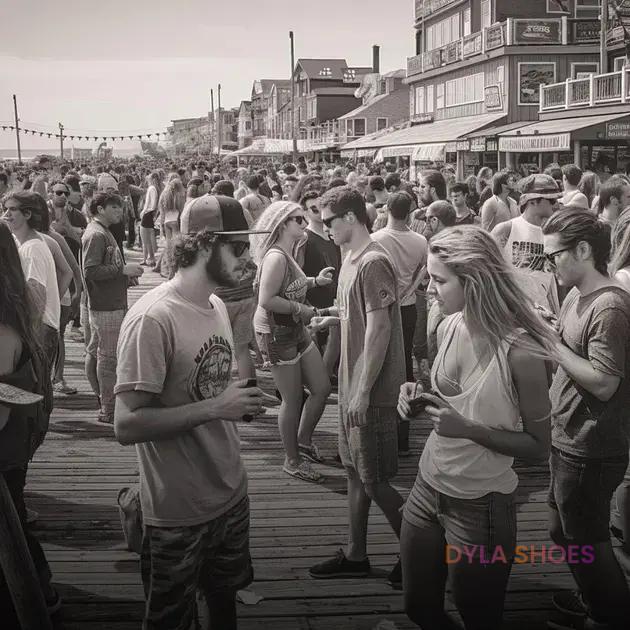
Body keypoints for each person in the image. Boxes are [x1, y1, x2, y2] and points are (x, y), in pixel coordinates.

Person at [114, 202, 267, 630]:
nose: (248, 259)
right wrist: (218, 407)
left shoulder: (215, 304)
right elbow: (126, 424)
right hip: (176, 511)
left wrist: (230, 399)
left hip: (230, 492)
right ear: (205, 245)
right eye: (238, 248)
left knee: (224, 600)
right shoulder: (152, 318)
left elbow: (205, 386)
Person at [397, 225, 555, 630]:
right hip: (426, 488)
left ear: (475, 280)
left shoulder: (520, 351)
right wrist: (416, 397)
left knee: (479, 617)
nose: (428, 289)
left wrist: (468, 429)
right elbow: (449, 401)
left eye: (438, 280)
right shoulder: (448, 325)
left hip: (481, 505)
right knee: (418, 608)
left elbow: (539, 447)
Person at [309, 186, 405, 586]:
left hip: (373, 389)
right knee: (354, 472)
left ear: (350, 218)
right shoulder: (350, 257)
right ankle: (356, 553)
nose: (324, 227)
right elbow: (360, 314)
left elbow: (380, 328)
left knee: (375, 479)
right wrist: (333, 316)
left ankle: (423, 552)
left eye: (328, 220)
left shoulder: (373, 261)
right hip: (350, 385)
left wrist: (364, 390)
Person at [542, 209, 630, 630]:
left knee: (588, 541)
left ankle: (607, 613)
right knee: (564, 532)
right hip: (567, 438)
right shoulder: (577, 295)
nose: (549, 264)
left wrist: (552, 345)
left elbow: (604, 383)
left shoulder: (609, 306)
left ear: (582, 249)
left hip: (591, 447)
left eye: (553, 255)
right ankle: (594, 594)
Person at [0, 221, 60, 623]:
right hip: (17, 442)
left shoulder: (3, 330)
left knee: (14, 527)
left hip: (6, 449)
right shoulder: (17, 306)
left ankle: (38, 593)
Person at [252, 201, 333, 482]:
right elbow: (266, 300)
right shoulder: (276, 256)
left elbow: (290, 285)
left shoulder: (288, 251)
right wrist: (302, 309)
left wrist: (313, 282)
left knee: (321, 388)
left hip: (294, 329)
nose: (304, 223)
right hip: (276, 333)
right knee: (292, 399)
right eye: (298, 219)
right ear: (283, 224)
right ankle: (292, 459)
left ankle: (303, 441)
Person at [82, 192, 143, 424]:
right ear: (99, 209)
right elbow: (90, 271)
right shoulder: (96, 234)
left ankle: (103, 400)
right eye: (114, 207)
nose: (120, 211)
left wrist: (124, 277)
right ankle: (108, 409)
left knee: (98, 352)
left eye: (120, 207)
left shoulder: (102, 231)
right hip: (105, 307)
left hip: (108, 303)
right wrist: (122, 271)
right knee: (108, 359)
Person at [2, 191, 61, 371]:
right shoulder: (28, 242)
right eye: (4, 209)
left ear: (27, 214)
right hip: (44, 328)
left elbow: (37, 301)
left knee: (35, 390)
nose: (6, 214)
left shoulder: (32, 249)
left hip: (40, 330)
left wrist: (28, 341)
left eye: (12, 210)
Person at [491, 173, 561, 314]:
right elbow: (487, 274)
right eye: (551, 200)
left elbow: (553, 282)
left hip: (544, 316)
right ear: (532, 201)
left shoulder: (555, 235)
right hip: (511, 315)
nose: (557, 204)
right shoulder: (506, 230)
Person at [295, 191, 341, 381]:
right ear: (305, 212)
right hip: (314, 297)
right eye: (314, 208)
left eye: (322, 207)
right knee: (317, 341)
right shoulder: (304, 238)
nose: (319, 212)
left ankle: (326, 374)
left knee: (334, 338)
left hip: (333, 294)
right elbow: (297, 272)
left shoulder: (331, 235)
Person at [139, 171, 161, 266]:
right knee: (148, 238)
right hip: (150, 214)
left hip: (147, 214)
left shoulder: (151, 188)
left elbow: (152, 204)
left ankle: (148, 258)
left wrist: (144, 211)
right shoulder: (156, 188)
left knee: (145, 239)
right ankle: (148, 258)